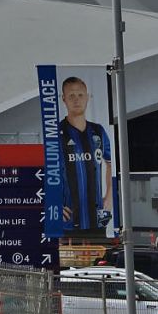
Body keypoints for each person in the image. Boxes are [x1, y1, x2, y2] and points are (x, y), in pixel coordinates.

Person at [57, 75, 113, 233]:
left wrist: (109, 197)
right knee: (70, 258)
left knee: (101, 257)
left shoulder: (98, 131)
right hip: (68, 222)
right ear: (64, 99)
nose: (77, 100)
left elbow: (112, 162)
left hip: (97, 219)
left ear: (87, 98)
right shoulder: (56, 134)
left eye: (80, 95)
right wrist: (54, 202)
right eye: (71, 96)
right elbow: (45, 171)